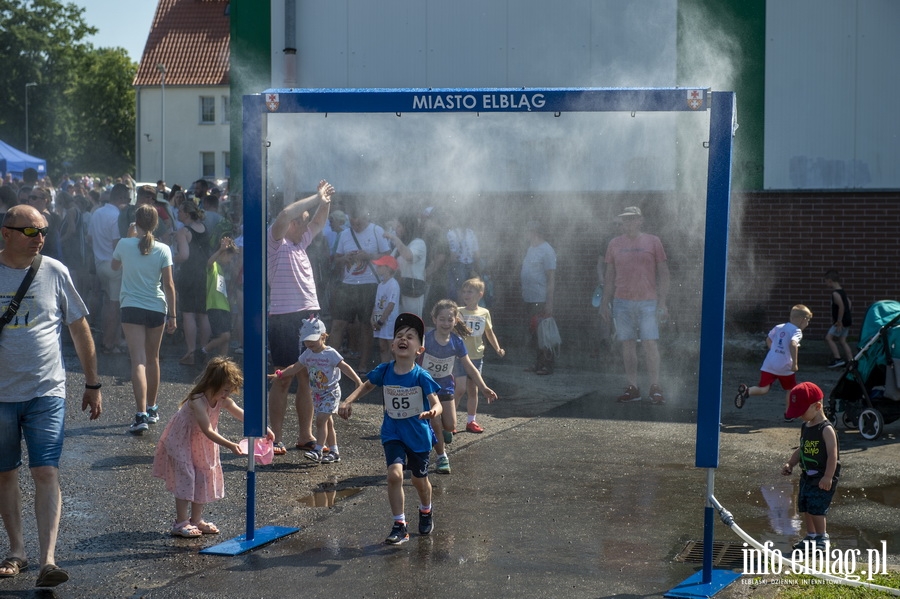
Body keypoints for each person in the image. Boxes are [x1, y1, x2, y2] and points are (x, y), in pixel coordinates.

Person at [0, 205, 102, 588]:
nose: (40, 238)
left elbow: (79, 328)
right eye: (30, 232)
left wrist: (93, 383)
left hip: (46, 390)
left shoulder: (54, 271)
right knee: (5, 473)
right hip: (0, 395)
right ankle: (16, 551)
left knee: (46, 470)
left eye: (43, 231)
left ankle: (47, 560)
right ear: (5, 233)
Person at [338, 313, 442, 545]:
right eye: (399, 336)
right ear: (393, 345)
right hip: (392, 431)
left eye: (411, 336)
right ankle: (400, 525)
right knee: (394, 475)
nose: (404, 338)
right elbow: (366, 385)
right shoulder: (385, 370)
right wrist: (348, 400)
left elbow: (436, 402)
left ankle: (426, 510)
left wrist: (434, 411)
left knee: (419, 481)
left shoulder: (421, 376)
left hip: (418, 435)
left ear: (419, 349)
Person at [152, 357, 273, 538]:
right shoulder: (197, 400)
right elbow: (207, 430)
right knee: (187, 476)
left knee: (203, 474)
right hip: (182, 440)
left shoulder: (222, 400)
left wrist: (263, 428)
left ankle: (196, 520)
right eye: (225, 390)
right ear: (212, 383)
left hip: (201, 443)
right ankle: (181, 522)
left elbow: (243, 415)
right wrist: (230, 445)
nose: (227, 395)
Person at [268, 180, 335, 455]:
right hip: (284, 317)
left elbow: (319, 222)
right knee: (283, 377)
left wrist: (325, 201)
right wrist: (314, 197)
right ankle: (275, 437)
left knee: (309, 375)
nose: (308, 228)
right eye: (303, 223)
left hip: (309, 315)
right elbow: (284, 214)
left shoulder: (301, 241)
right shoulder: (275, 241)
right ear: (294, 224)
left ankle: (305, 435)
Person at [112, 205, 177, 434]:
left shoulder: (124, 243)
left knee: (138, 360)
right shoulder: (164, 249)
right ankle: (152, 408)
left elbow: (114, 267)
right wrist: (173, 315)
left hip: (131, 306)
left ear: (135, 222)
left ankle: (140, 415)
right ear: (156, 224)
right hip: (156, 307)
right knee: (153, 359)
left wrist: (129, 237)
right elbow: (168, 285)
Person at [600, 206, 670, 403]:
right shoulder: (614, 244)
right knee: (628, 344)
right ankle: (633, 387)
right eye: (625, 219)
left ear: (640, 220)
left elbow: (664, 273)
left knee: (649, 343)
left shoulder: (653, 241)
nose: (628, 222)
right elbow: (609, 275)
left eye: (632, 219)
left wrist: (663, 303)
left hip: (648, 301)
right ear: (621, 222)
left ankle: (655, 387)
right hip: (622, 301)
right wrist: (604, 303)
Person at [269, 318, 363, 464]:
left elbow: (344, 367)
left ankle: (318, 450)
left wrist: (357, 381)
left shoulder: (330, 353)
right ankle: (334, 451)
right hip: (318, 394)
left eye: (313, 339)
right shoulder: (307, 354)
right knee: (328, 423)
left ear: (323, 336)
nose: (309, 343)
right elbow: (295, 367)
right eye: (306, 340)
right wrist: (280, 374)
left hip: (330, 392)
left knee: (320, 421)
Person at [422, 300, 498, 474]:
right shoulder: (427, 340)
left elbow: (470, 366)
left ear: (456, 320)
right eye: (442, 319)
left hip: (446, 388)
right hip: (427, 389)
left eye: (450, 319)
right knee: (434, 421)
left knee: (450, 425)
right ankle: (442, 457)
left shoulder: (456, 341)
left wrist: (484, 387)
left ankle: (443, 431)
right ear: (434, 319)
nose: (446, 323)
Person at [329, 201, 391, 372]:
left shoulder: (376, 230)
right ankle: (331, 366)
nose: (356, 224)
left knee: (366, 325)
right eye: (353, 221)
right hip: (347, 285)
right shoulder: (344, 234)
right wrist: (345, 259)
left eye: (359, 221)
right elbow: (336, 259)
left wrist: (369, 255)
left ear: (366, 217)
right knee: (337, 325)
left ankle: (363, 365)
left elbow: (387, 258)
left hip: (369, 284)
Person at [780, 382, 839, 551]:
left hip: (823, 475)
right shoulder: (806, 426)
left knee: (817, 507)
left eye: (801, 412)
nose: (799, 416)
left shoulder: (826, 429)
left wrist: (828, 476)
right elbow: (802, 447)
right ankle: (810, 536)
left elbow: (832, 455)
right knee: (805, 505)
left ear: (817, 406)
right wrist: (791, 463)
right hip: (807, 475)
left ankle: (822, 537)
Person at [735, 305, 813, 417]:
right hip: (785, 366)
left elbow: (768, 339)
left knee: (763, 388)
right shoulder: (797, 331)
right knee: (790, 389)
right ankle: (788, 413)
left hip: (769, 363)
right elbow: (793, 344)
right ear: (803, 319)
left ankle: (747, 391)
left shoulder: (779, 326)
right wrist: (795, 363)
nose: (807, 324)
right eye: (808, 321)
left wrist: (775, 352)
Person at [456, 277, 505, 433]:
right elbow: (452, 331)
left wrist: (497, 348)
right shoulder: (458, 311)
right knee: (459, 389)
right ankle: (450, 420)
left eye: (470, 291)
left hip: (477, 356)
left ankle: (471, 421)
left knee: (473, 390)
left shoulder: (484, 313)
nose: (466, 294)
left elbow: (489, 333)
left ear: (480, 294)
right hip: (460, 357)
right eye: (464, 291)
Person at [88, 183, 130, 353]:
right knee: (114, 306)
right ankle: (109, 343)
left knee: (109, 304)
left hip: (100, 264)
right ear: (120, 198)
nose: (128, 202)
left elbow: (89, 239)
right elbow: (116, 244)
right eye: (127, 199)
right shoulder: (117, 215)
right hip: (113, 265)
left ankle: (116, 339)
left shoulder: (97, 212)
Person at [173, 199, 211, 365]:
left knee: (188, 313)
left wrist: (169, 258)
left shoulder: (183, 231)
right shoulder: (203, 228)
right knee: (203, 314)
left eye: (180, 211)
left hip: (189, 274)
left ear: (187, 214)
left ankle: (191, 352)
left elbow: (184, 256)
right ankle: (203, 349)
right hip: (204, 274)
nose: (178, 213)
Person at [520, 221, 557, 375]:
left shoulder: (547, 250)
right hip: (529, 298)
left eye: (528, 231)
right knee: (534, 334)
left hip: (540, 299)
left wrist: (549, 302)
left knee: (544, 334)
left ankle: (548, 366)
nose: (525, 234)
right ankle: (538, 363)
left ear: (535, 232)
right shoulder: (531, 248)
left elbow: (551, 278)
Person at [200, 236, 238, 359]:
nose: (230, 260)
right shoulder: (214, 266)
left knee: (226, 339)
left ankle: (223, 363)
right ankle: (203, 351)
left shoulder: (221, 269)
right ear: (224, 253)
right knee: (224, 336)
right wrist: (221, 250)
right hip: (215, 306)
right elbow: (209, 262)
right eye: (230, 257)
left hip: (224, 306)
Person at [385, 215, 427, 317]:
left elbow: (408, 255)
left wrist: (394, 238)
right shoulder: (397, 248)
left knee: (411, 324)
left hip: (411, 293)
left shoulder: (419, 243)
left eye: (399, 226)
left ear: (407, 227)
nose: (396, 229)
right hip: (396, 293)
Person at [371, 255, 401, 363]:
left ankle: (396, 372)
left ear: (388, 268)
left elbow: (391, 305)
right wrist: (372, 319)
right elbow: (377, 304)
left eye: (380, 266)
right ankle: (385, 369)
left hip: (389, 322)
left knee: (392, 348)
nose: (377, 268)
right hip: (380, 321)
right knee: (382, 347)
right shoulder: (380, 285)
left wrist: (381, 321)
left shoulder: (393, 284)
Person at [824, 270, 853, 368]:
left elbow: (841, 306)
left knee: (828, 338)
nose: (826, 283)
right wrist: (846, 315)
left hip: (840, 322)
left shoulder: (835, 294)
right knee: (842, 340)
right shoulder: (842, 292)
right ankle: (851, 361)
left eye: (826, 281)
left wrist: (839, 320)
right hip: (847, 320)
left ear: (830, 281)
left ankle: (837, 359)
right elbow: (849, 303)